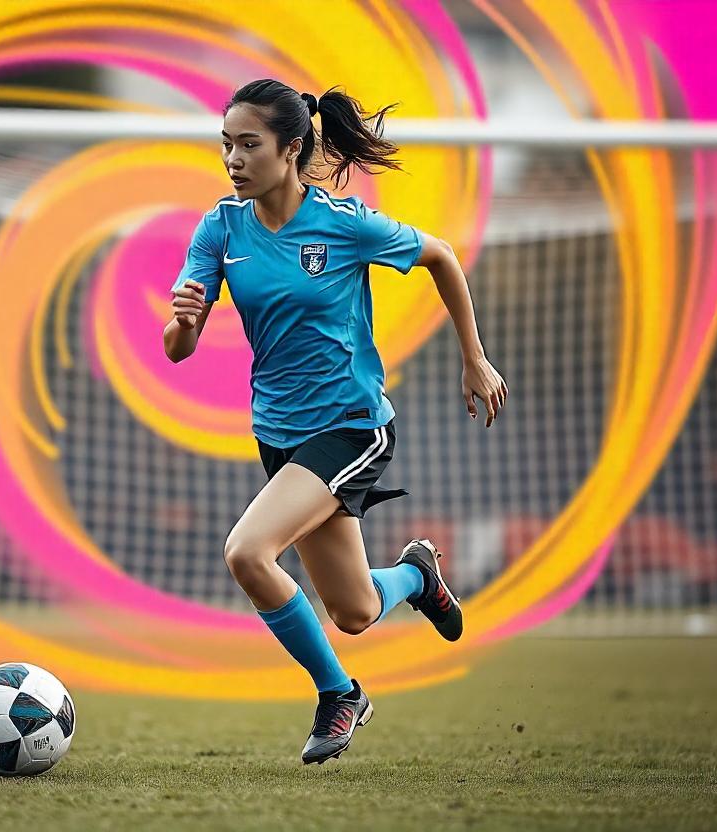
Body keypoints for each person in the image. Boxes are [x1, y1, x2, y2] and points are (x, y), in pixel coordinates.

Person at [163, 79, 508, 765]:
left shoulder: (343, 225)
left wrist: (475, 357)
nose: (233, 158)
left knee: (246, 552)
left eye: (249, 144)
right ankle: (417, 576)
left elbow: (439, 255)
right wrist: (182, 318)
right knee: (353, 611)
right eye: (226, 144)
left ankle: (339, 694)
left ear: (291, 150)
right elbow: (178, 348)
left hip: (352, 425)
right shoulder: (218, 228)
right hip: (280, 433)